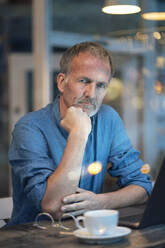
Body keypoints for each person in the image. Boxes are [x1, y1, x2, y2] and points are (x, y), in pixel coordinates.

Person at [8, 41, 152, 225]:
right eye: (84, 81)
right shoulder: (29, 127)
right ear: (62, 82)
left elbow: (143, 186)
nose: (92, 94)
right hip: (32, 237)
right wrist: (79, 133)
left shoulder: (107, 118)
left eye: (101, 85)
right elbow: (53, 207)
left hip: (87, 232)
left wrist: (102, 202)